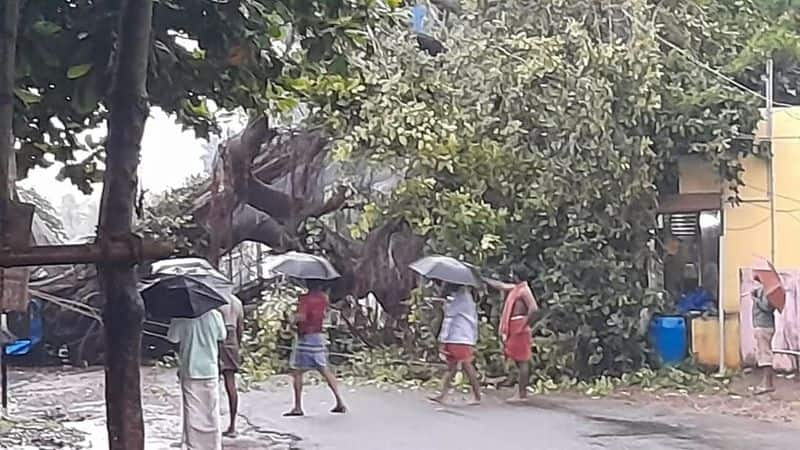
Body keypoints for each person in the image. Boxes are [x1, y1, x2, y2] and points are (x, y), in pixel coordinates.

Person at [284, 279, 346, 416]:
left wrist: (292, 318)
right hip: (318, 336)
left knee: (297, 371)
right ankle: (339, 401)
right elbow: (323, 314)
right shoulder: (324, 299)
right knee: (324, 369)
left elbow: (302, 317)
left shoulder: (305, 299)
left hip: (305, 337)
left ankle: (298, 406)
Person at [167, 309, 227, 450]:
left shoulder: (181, 316)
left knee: (192, 411)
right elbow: (222, 337)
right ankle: (213, 445)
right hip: (210, 369)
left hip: (190, 369)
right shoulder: (215, 315)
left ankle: (193, 445)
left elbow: (172, 339)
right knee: (211, 410)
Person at [429, 281, 481, 406]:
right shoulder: (465, 297)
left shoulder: (459, 300)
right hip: (462, 336)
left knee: (465, 365)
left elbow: (449, 319)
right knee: (452, 367)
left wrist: (442, 339)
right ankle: (443, 394)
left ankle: (477, 395)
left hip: (458, 336)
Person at [487, 278, 539, 403]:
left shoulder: (524, 290)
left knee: (522, 361)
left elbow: (534, 308)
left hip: (520, 326)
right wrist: (483, 279)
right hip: (514, 326)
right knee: (516, 358)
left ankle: (522, 394)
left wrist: (525, 324)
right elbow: (500, 285)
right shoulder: (516, 288)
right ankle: (520, 390)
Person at [218, 293, 244, 438]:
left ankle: (212, 423)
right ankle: (232, 425)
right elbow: (241, 328)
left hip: (219, 336)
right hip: (232, 337)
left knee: (212, 384)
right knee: (230, 383)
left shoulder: (217, 299)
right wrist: (237, 346)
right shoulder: (237, 302)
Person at [752, 274, 777, 394]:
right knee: (763, 353)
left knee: (765, 354)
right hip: (762, 325)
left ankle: (767, 384)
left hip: (764, 326)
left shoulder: (767, 292)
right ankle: (766, 383)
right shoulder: (762, 290)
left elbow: (767, 307)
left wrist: (755, 299)